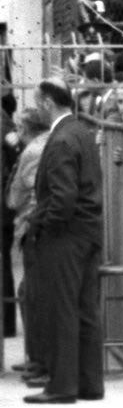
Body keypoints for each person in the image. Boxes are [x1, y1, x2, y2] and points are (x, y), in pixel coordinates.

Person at [23, 78, 104, 404]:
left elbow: (62, 197)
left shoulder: (60, 140)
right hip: (87, 231)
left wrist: (44, 228)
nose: (36, 109)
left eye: (37, 103)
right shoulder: (80, 132)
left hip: (65, 236)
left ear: (47, 102)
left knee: (62, 310)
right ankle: (89, 383)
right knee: (85, 309)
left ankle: (62, 386)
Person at [5, 108, 50, 379]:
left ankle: (40, 359)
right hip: (34, 224)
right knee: (28, 293)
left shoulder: (34, 151)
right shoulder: (40, 146)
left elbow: (30, 192)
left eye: (19, 127)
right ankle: (36, 356)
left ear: (25, 128)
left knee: (33, 295)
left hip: (33, 224)